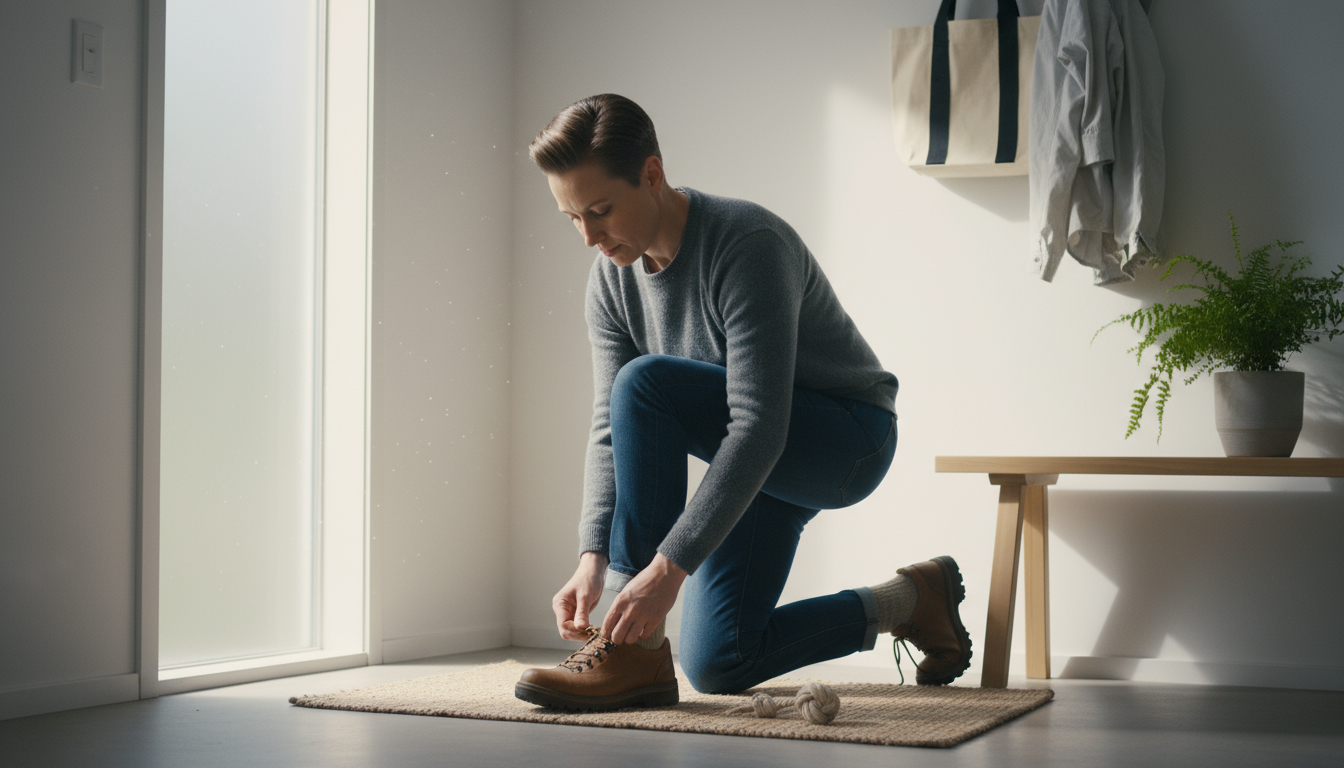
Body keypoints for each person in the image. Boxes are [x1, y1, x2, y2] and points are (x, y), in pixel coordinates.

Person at [514, 94, 972, 711]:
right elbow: (608, 427)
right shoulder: (610, 279)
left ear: (652, 174)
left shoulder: (745, 242)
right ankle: (913, 601)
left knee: (646, 382)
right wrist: (593, 555)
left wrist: (664, 571)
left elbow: (758, 424)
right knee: (718, 661)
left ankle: (630, 651)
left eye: (600, 210)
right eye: (571, 218)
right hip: (762, 458)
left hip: (845, 440)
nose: (589, 237)